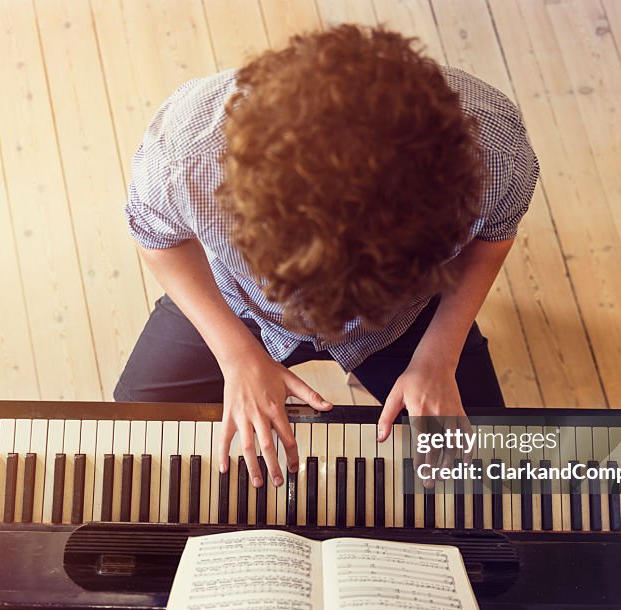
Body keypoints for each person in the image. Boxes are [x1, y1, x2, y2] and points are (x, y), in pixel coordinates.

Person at [114, 24, 538, 490]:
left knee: (488, 462)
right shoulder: (183, 152)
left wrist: (437, 357)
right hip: (240, 303)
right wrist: (236, 354)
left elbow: (492, 240)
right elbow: (159, 241)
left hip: (407, 318)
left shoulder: (495, 149)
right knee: (135, 416)